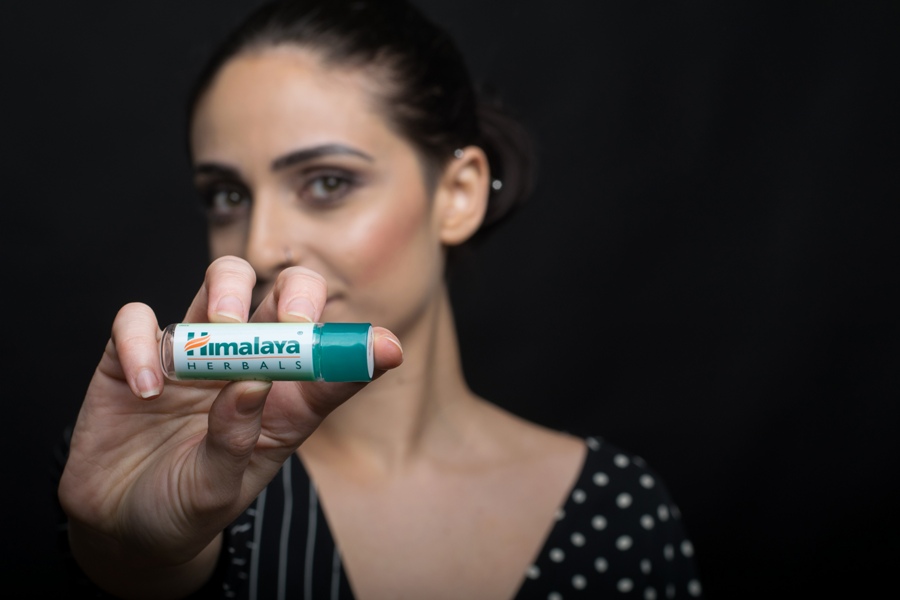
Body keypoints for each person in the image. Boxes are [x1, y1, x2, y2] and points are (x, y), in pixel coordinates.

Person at [55, 0, 703, 598]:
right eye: (228, 196)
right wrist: (134, 552)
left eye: (328, 183)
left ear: (458, 195)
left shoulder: (619, 510)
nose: (259, 247)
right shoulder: (174, 465)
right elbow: (144, 558)